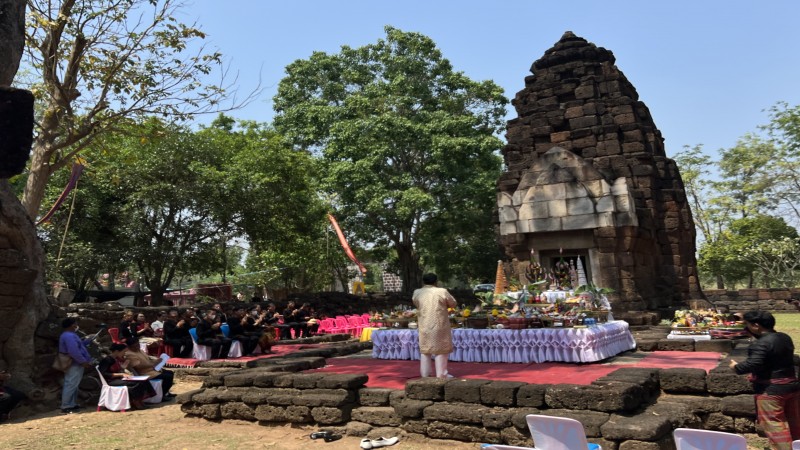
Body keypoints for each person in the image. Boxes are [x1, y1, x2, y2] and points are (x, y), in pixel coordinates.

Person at [729, 310, 800, 450]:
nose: (747, 327)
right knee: (795, 423)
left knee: (775, 426)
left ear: (756, 325)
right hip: (792, 386)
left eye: (748, 325)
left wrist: (736, 367)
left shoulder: (760, 344)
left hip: (771, 391)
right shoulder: (784, 337)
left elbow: (753, 363)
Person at [412, 273, 457, 379]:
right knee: (441, 350)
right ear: (436, 281)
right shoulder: (442, 291)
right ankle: (441, 374)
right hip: (439, 324)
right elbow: (453, 303)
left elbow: (416, 304)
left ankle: (425, 374)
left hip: (424, 324)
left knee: (426, 350)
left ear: (423, 282)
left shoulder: (417, 292)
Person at [97, 343, 156, 409]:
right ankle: (135, 401)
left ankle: (140, 400)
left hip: (119, 378)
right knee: (137, 383)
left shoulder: (116, 359)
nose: (125, 354)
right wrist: (121, 374)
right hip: (111, 381)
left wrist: (123, 368)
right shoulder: (106, 360)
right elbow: (104, 374)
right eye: (124, 352)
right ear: (117, 351)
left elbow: (118, 370)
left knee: (144, 381)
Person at [58, 318, 93, 413]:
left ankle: (72, 404)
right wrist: (82, 361)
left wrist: (88, 340)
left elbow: (79, 346)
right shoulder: (69, 336)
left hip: (76, 363)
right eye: (75, 323)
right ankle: (65, 406)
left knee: (74, 384)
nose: (76, 325)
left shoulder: (71, 335)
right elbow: (73, 351)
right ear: (71, 325)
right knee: (70, 384)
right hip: (74, 363)